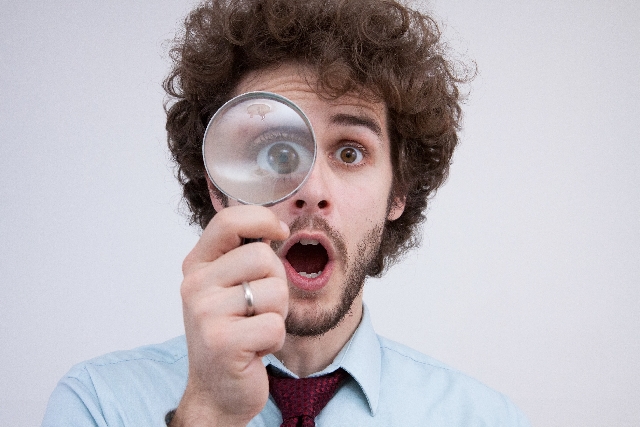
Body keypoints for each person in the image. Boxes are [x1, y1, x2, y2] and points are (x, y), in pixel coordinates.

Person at [42, 0, 531, 426]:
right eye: (277, 154)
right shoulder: (99, 404)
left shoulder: (484, 418)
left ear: (397, 192)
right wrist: (208, 414)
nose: (312, 191)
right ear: (219, 188)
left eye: (350, 152)